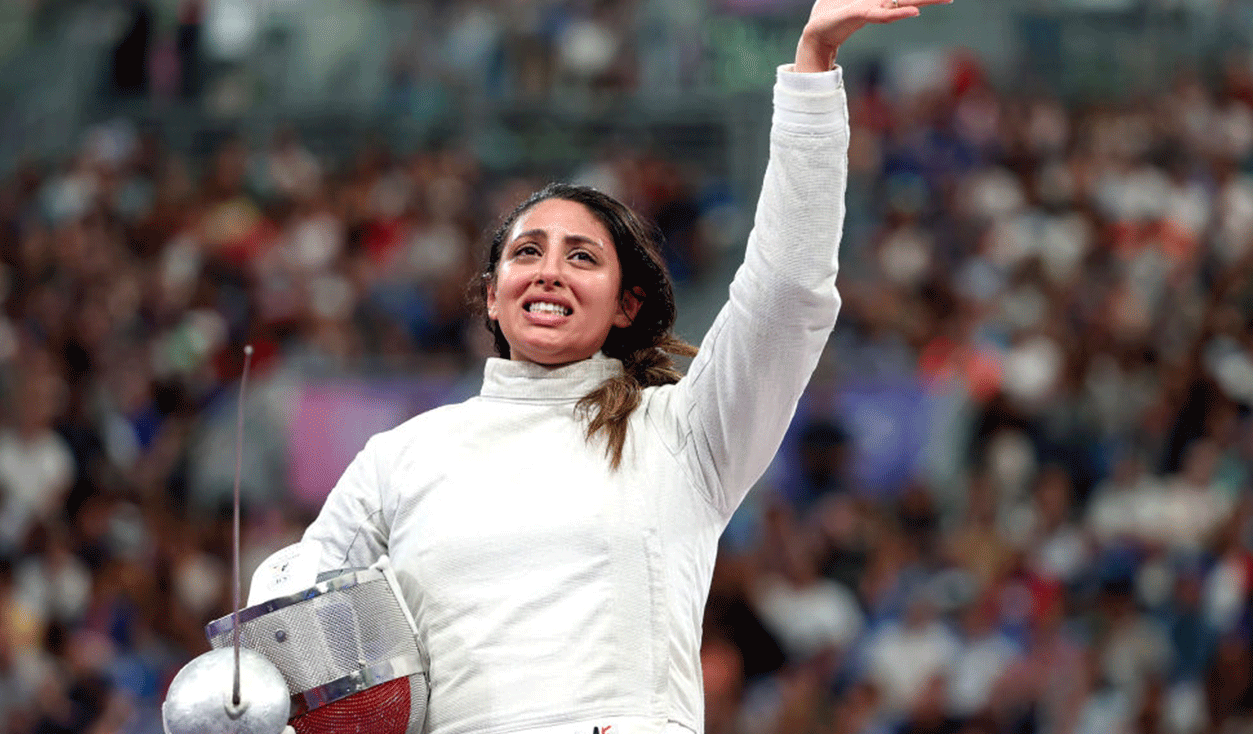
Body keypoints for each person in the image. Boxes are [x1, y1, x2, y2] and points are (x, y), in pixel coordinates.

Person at [300, 2, 952, 733]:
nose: (549, 272)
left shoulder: (682, 433)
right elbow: (294, 603)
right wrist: (242, 684)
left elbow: (788, 289)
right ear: (492, 295)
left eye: (581, 257)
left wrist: (812, 65)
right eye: (526, 253)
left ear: (624, 304)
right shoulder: (401, 459)